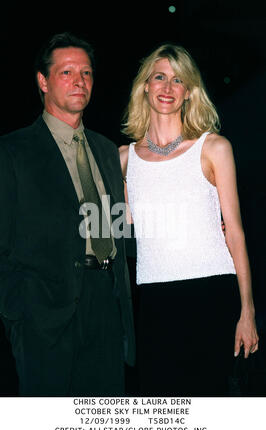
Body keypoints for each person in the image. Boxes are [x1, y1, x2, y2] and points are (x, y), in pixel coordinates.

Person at [0, 32, 135, 397]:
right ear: (43, 81)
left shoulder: (107, 151)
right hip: (43, 314)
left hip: (106, 306)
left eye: (87, 73)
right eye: (67, 72)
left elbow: (120, 227)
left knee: (102, 427)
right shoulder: (12, 152)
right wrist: (19, 312)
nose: (80, 81)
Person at [120, 44, 259, 396]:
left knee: (210, 410)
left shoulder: (214, 149)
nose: (168, 87)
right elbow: (118, 229)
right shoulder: (122, 158)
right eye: (160, 77)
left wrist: (247, 311)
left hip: (211, 293)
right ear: (145, 87)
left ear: (188, 93)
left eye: (178, 80)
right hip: (153, 300)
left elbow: (236, 234)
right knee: (162, 411)